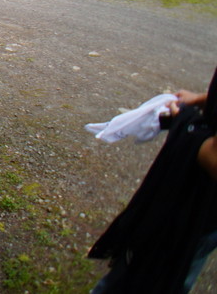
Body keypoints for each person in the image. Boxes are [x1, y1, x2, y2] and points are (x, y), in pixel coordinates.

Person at [90, 72, 217, 293]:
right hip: (199, 211)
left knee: (154, 268)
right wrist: (200, 99)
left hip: (192, 207)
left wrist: (184, 123)